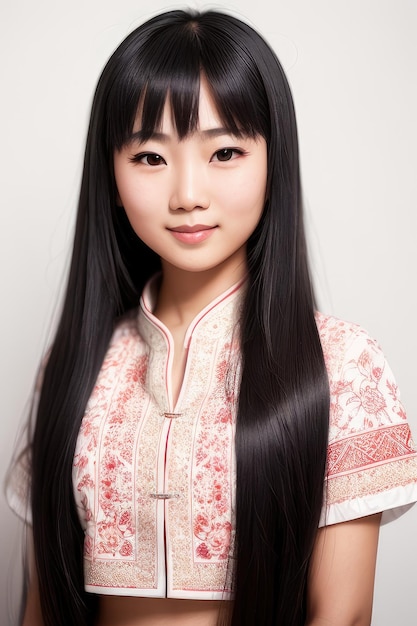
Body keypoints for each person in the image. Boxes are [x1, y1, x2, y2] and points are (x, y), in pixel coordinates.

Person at [6, 8, 417, 626]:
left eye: (224, 152)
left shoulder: (341, 365)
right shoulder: (72, 367)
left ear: (273, 163)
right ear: (112, 176)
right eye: (150, 157)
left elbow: (344, 615)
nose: (188, 193)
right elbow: (41, 607)